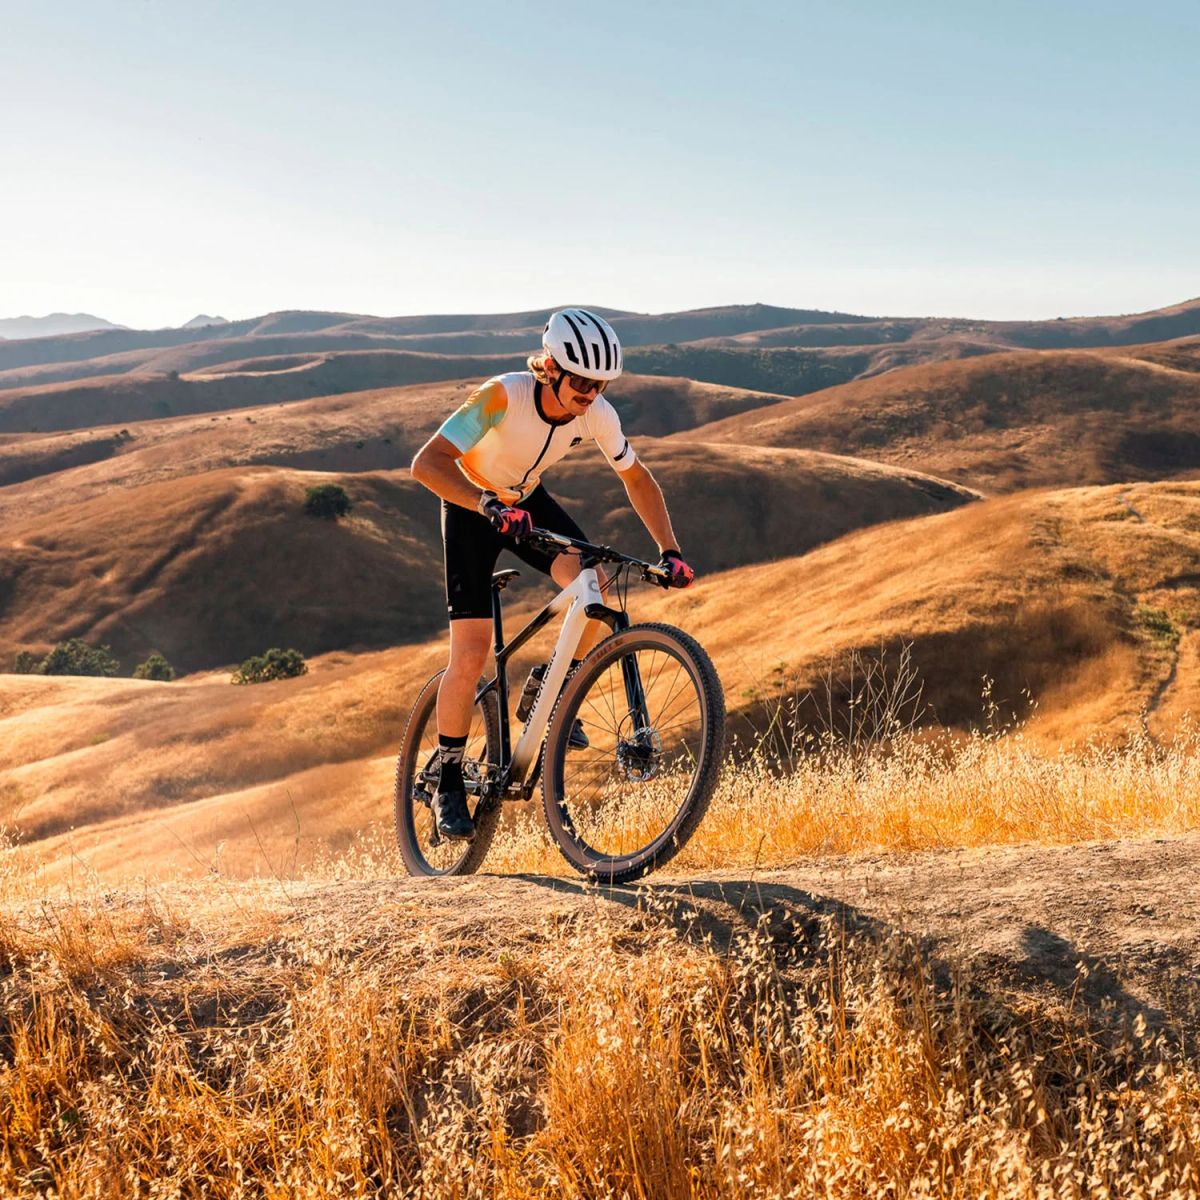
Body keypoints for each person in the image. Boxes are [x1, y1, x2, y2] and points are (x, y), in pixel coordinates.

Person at [410, 307, 695, 840]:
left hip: (525, 502)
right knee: (470, 654)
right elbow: (427, 464)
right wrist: (484, 503)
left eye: (599, 384)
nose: (590, 393)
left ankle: (551, 685)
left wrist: (670, 549)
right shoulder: (503, 395)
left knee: (596, 587)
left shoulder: (597, 414)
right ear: (550, 368)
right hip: (472, 506)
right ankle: (447, 779)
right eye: (581, 382)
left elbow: (637, 479)